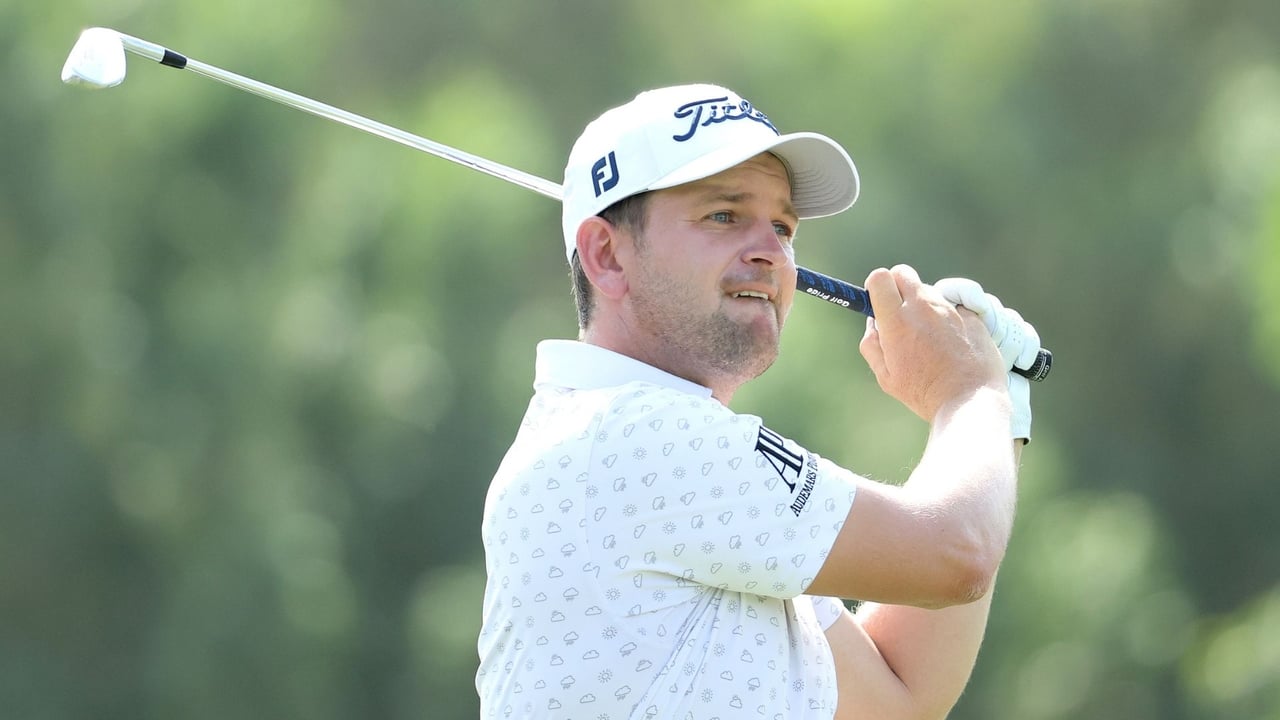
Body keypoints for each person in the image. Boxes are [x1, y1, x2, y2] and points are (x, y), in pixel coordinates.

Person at [475, 84, 1040, 720]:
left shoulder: (666, 466)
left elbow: (900, 695)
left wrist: (999, 411)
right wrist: (969, 391)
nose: (771, 253)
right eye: (724, 215)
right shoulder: (635, 434)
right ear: (607, 255)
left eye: (782, 226)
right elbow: (954, 553)